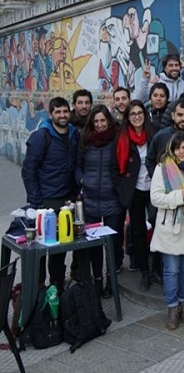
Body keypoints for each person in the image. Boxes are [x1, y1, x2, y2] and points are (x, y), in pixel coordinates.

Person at [21, 97, 79, 290]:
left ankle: (57, 286)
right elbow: (28, 170)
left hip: (65, 201)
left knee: (59, 248)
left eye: (65, 111)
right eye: (58, 112)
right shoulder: (41, 136)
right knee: (40, 250)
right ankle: (38, 291)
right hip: (44, 202)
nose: (62, 115)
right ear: (51, 114)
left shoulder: (73, 134)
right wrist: (36, 201)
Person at [149, 131, 184, 330]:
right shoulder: (163, 168)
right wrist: (180, 195)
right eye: (178, 148)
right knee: (171, 270)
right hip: (170, 225)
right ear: (172, 148)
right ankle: (172, 307)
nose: (181, 152)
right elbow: (156, 198)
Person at [76, 105, 122, 296]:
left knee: (113, 243)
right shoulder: (86, 141)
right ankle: (97, 280)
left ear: (109, 121)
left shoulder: (117, 139)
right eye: (96, 121)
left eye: (103, 120)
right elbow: (77, 166)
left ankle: (112, 280)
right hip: (91, 200)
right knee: (94, 244)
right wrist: (82, 180)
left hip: (112, 200)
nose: (100, 125)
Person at [116, 100, 156, 291]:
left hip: (155, 188)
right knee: (138, 231)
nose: (137, 116)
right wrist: (121, 186)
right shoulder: (122, 137)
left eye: (140, 112)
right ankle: (144, 271)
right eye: (133, 114)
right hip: (135, 189)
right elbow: (114, 165)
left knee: (158, 227)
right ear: (128, 117)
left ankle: (157, 267)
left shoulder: (153, 133)